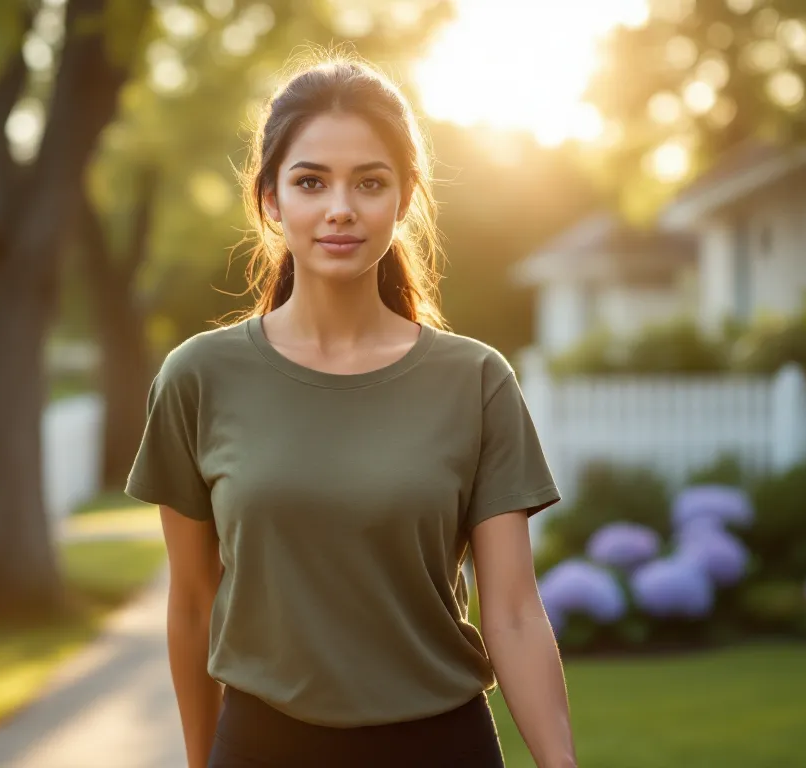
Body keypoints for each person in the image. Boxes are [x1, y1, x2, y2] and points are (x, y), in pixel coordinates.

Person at [124, 53, 577, 768]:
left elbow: (515, 612)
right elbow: (191, 606)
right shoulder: (198, 378)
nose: (341, 207)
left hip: (440, 745)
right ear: (271, 198)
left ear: (403, 200)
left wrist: (559, 763)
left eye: (370, 182)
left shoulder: (476, 381)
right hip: (262, 746)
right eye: (311, 181)